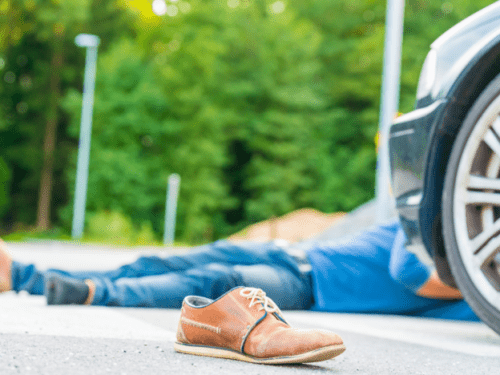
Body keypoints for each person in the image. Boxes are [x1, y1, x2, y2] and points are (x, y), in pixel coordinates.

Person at [0, 219, 478, 321]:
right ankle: (22, 274)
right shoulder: (429, 223)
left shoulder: (474, 286)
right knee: (158, 262)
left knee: (223, 285)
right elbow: (408, 270)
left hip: (304, 284)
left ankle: (88, 292)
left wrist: (478, 290)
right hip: (288, 252)